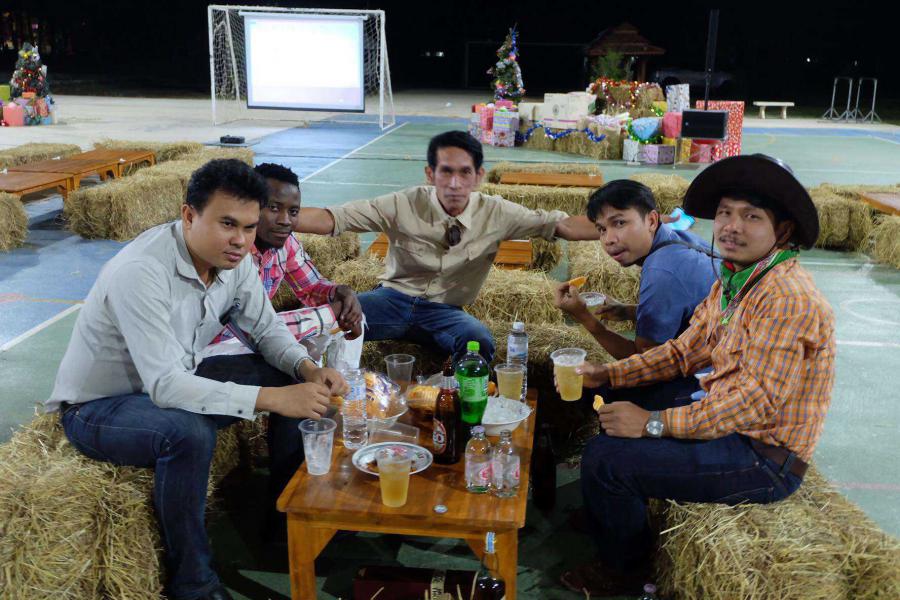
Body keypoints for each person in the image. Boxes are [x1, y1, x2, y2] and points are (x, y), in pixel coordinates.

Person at [46, 159, 348, 600]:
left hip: (177, 374)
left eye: (249, 227)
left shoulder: (233, 260)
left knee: (289, 377)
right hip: (101, 407)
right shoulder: (142, 271)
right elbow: (165, 387)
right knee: (188, 433)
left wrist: (307, 369)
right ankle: (193, 584)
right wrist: (273, 399)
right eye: (227, 224)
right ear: (189, 215)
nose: (241, 239)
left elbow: (266, 329)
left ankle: (286, 520)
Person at [561, 155, 836, 596]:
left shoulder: (787, 297)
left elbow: (752, 404)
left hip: (763, 458)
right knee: (615, 402)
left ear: (783, 230)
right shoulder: (735, 281)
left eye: (751, 216)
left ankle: (624, 572)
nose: (731, 226)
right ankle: (611, 511)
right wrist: (607, 374)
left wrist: (653, 423)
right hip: (726, 421)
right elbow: (681, 353)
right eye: (725, 213)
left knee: (605, 459)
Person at [295, 130, 602, 361]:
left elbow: (562, 225)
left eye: (465, 172)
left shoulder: (497, 212)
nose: (455, 183)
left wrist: (618, 229)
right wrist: (276, 217)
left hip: (445, 312)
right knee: (318, 321)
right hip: (391, 300)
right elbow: (333, 218)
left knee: (478, 341)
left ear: (478, 176)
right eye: (446, 171)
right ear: (430, 174)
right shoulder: (402, 203)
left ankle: (456, 411)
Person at [553, 179, 717, 410]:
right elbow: (690, 307)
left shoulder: (662, 271)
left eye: (619, 223)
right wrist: (629, 312)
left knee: (592, 389)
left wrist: (585, 319)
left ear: (651, 220)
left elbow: (645, 363)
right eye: (602, 229)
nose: (608, 239)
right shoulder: (678, 238)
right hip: (711, 356)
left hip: (708, 383)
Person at [201, 162, 365, 370]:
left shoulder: (285, 242)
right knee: (330, 317)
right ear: (250, 207)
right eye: (274, 208)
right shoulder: (231, 251)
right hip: (215, 346)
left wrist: (341, 293)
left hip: (254, 335)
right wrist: (330, 313)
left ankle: (343, 384)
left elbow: (312, 288)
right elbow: (251, 328)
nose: (285, 220)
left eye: (293, 211)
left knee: (351, 313)